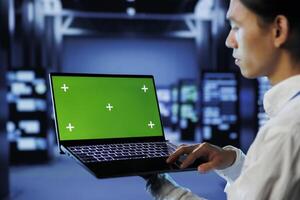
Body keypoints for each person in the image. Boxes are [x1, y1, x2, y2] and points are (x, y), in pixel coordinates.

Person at [143, 0, 300, 199]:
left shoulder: (286, 132)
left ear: (278, 30)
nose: (229, 41)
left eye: (236, 26)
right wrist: (233, 162)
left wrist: (159, 184)